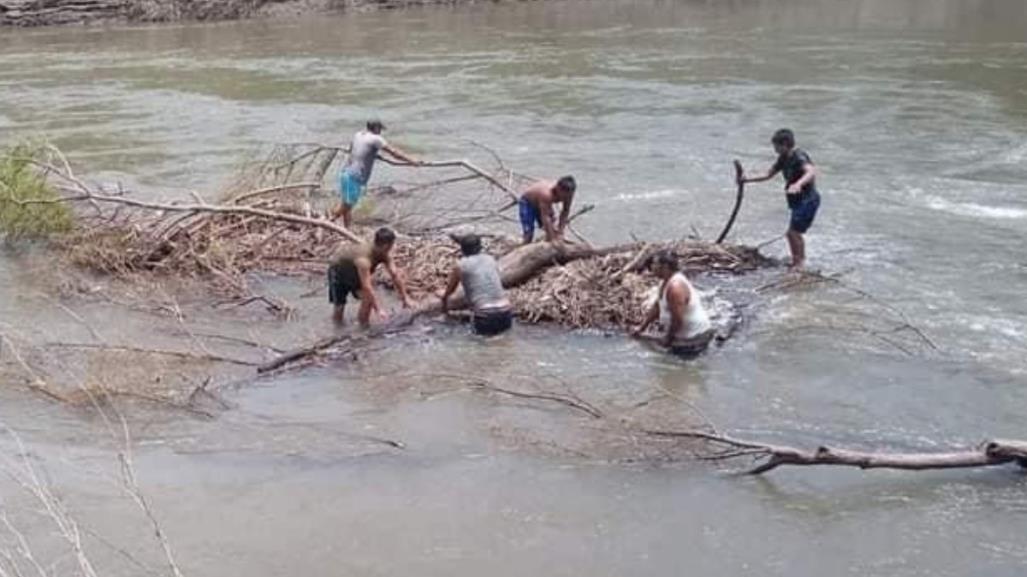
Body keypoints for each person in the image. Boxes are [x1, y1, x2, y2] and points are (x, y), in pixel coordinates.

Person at [739, 128, 821, 271]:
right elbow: (768, 174)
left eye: (776, 146)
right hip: (797, 201)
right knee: (792, 233)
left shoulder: (799, 155)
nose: (774, 149)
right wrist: (747, 179)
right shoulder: (783, 158)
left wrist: (798, 184)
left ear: (784, 144)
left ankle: (800, 264)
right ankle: (796, 261)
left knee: (793, 233)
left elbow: (811, 171)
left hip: (808, 200)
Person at [332, 119, 422, 229]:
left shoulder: (358, 135)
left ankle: (347, 230)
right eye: (380, 129)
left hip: (346, 173)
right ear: (376, 128)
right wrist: (412, 161)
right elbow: (394, 152)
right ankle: (329, 220)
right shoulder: (376, 139)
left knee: (347, 205)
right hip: (354, 176)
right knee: (346, 205)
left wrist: (372, 154)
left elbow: (354, 150)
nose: (380, 132)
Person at [632, 250, 713, 357]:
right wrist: (642, 328)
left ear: (665, 266)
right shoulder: (665, 281)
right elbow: (658, 306)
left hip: (692, 339)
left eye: (654, 264)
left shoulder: (675, 287)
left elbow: (678, 320)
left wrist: (667, 339)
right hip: (681, 335)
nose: (651, 267)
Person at [328, 227, 411, 327]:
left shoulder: (384, 254)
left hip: (356, 272)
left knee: (368, 300)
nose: (393, 247)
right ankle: (338, 329)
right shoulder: (364, 260)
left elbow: (395, 275)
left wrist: (405, 298)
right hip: (338, 271)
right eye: (392, 245)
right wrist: (379, 310)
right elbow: (367, 286)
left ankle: (363, 326)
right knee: (339, 306)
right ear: (386, 245)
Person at [440, 233, 514, 336]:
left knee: (482, 346)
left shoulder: (460, 265)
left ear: (462, 250)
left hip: (484, 315)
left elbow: (450, 291)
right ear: (480, 248)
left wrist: (443, 301)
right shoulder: (490, 259)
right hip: (505, 311)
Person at [518, 176, 576, 244]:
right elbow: (545, 217)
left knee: (553, 227)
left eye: (568, 195)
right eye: (564, 196)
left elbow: (565, 212)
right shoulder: (547, 194)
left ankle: (548, 240)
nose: (565, 198)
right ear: (558, 189)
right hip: (527, 203)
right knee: (529, 233)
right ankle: (523, 247)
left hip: (543, 203)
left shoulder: (569, 194)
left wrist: (561, 231)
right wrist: (551, 239)